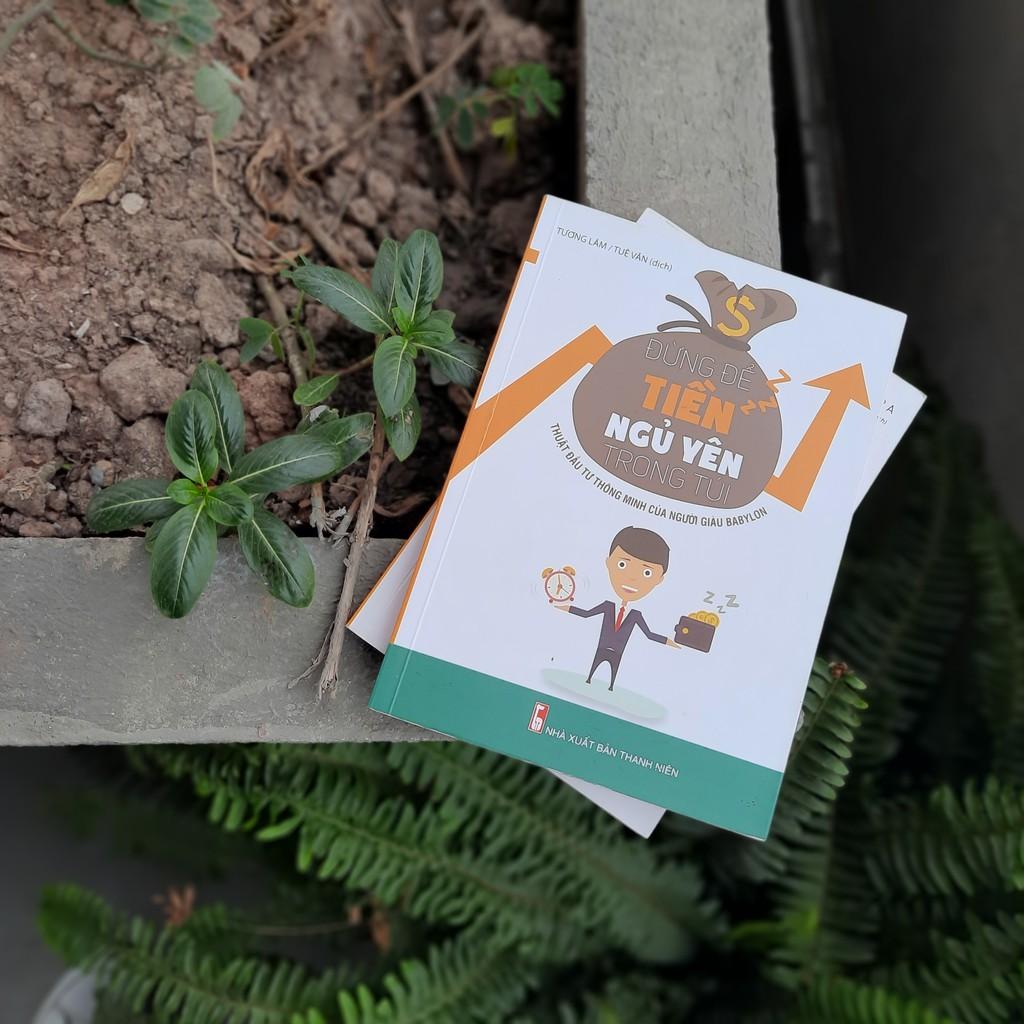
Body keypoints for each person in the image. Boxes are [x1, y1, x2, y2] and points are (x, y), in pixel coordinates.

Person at [554, 526, 681, 691]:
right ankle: (590, 678)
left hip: (617, 652)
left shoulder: (635, 615)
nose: (632, 578)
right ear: (608, 563)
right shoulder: (608, 606)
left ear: (659, 579)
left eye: (647, 573)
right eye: (622, 564)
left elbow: (649, 634)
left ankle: (611, 686)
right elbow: (587, 614)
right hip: (602, 647)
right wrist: (567, 608)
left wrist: (669, 642)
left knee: (614, 670)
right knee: (595, 666)